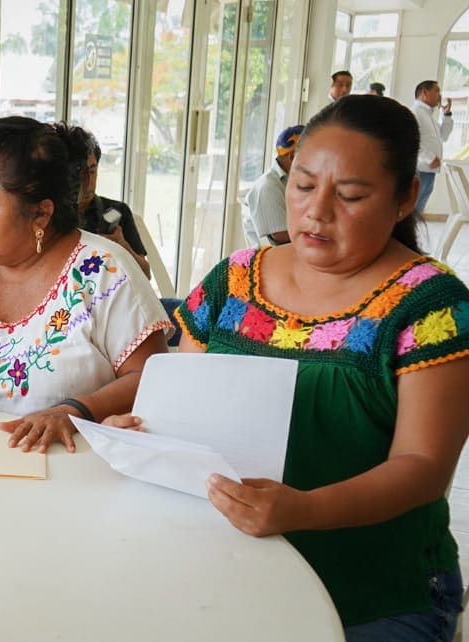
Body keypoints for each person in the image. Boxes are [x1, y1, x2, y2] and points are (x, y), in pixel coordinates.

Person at [117, 95, 469, 639]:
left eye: (350, 195)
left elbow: (423, 466)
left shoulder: (432, 306)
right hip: (218, 565)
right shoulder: (235, 281)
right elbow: (188, 414)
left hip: (371, 591)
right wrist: (142, 436)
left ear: (405, 198)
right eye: (302, 186)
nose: (316, 211)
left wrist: (304, 509)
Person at [0, 117, 171, 454]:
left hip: (63, 463)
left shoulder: (104, 273)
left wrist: (74, 411)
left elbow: (150, 377)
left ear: (41, 213)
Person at [67, 127, 151, 278]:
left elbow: (145, 274)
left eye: (92, 171)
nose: (88, 182)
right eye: (79, 173)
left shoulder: (117, 211)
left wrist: (122, 245)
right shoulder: (52, 216)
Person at [242, 125, 304, 247]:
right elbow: (280, 235)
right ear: (292, 157)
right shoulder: (268, 187)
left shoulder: (293, 181)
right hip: (276, 256)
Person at [411, 80, 454, 216]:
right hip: (420, 169)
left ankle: (413, 229)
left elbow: (443, 136)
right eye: (436, 91)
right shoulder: (416, 112)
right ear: (424, 92)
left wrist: (447, 115)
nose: (439, 95)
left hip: (429, 170)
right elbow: (412, 140)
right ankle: (408, 230)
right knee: (414, 208)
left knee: (419, 209)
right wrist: (429, 158)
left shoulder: (428, 114)